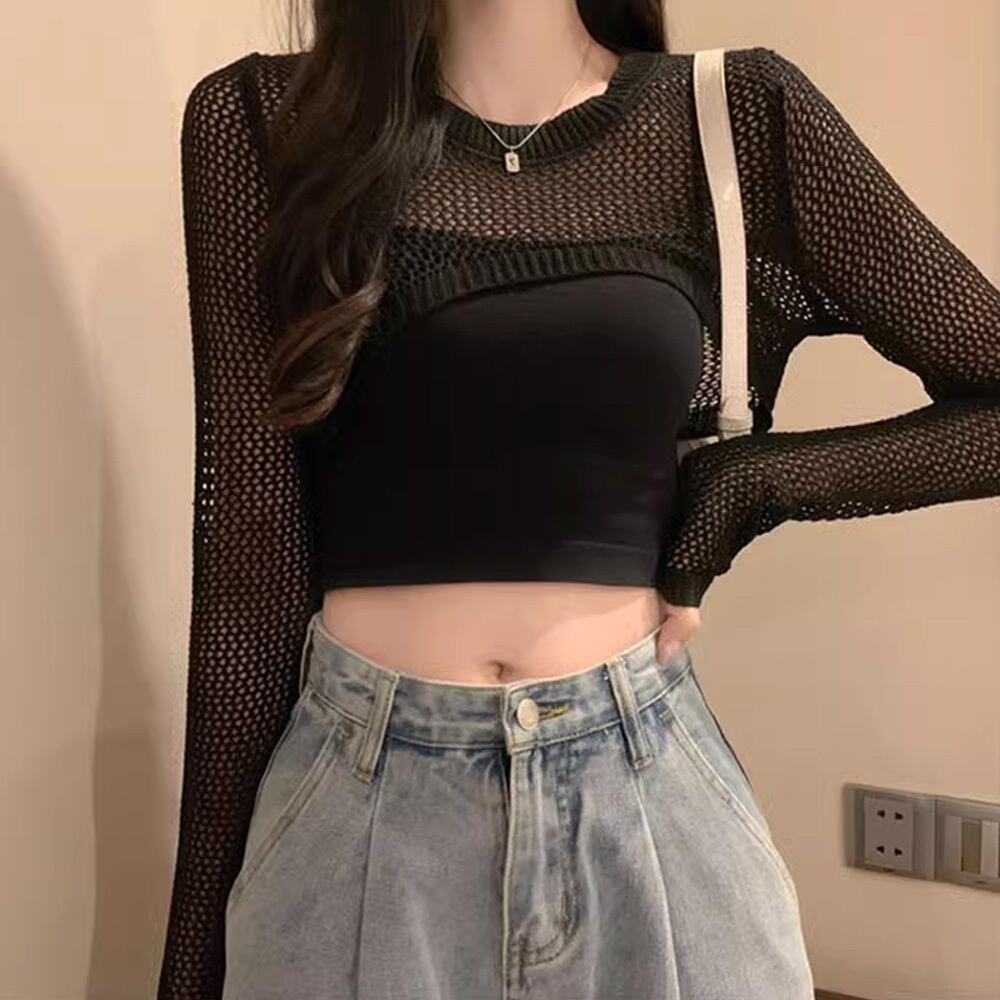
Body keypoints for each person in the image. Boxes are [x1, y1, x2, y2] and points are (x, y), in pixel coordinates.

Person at [157, 1, 1000, 998]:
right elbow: (249, 559)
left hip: (647, 785)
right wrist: (192, 962)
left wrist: (754, 482)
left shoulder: (732, 115)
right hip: (362, 801)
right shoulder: (263, 122)